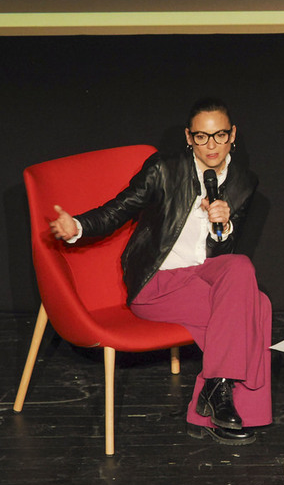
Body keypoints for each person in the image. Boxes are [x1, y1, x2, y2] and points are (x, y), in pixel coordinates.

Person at [49, 98, 272, 445]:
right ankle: (215, 406)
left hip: (203, 278)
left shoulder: (244, 181)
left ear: (233, 136)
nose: (211, 146)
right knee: (257, 306)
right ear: (188, 137)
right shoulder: (164, 169)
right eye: (201, 137)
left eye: (219, 136)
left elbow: (223, 255)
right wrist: (77, 225)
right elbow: (118, 209)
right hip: (157, 283)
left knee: (241, 267)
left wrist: (224, 226)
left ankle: (213, 398)